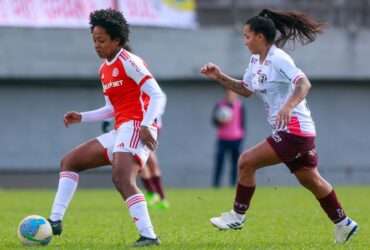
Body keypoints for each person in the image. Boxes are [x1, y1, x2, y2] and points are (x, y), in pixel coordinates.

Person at [201, 9, 358, 244]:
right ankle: (344, 223)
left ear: (260, 37)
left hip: (294, 130)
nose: (244, 41)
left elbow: (304, 84)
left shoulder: (279, 59)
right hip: (293, 132)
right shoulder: (256, 61)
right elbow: (245, 90)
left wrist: (288, 106)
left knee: (246, 161)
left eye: (247, 36)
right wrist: (219, 76)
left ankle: (237, 215)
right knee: (310, 179)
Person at [48, 9, 166, 247]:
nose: (96, 45)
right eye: (94, 40)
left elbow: (157, 95)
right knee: (69, 161)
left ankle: (149, 236)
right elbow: (111, 108)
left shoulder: (129, 62)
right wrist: (81, 117)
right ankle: (54, 221)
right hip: (122, 127)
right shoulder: (104, 69)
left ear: (117, 40)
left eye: (101, 40)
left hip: (136, 126)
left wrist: (146, 126)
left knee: (122, 178)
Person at [212, 89, 245, 187]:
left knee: (235, 163)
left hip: (236, 139)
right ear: (226, 94)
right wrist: (220, 120)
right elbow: (213, 121)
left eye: (233, 94)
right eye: (229, 94)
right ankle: (216, 185)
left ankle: (233, 184)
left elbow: (243, 123)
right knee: (219, 162)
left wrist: (241, 136)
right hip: (223, 139)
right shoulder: (219, 105)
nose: (231, 95)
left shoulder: (240, 105)